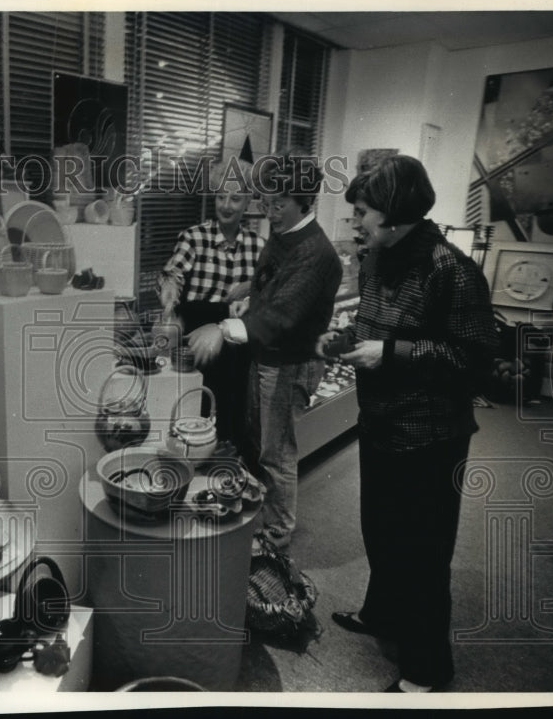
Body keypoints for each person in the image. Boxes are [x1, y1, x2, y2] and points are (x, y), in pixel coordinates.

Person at [322, 155, 498, 693]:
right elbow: (370, 319)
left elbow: (475, 359)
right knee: (381, 533)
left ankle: (427, 670)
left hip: (430, 437)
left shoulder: (451, 269)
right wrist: (345, 340)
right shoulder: (379, 257)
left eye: (362, 212)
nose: (354, 222)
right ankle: (384, 616)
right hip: (380, 424)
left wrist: (394, 354)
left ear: (395, 215)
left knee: (422, 553)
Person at [193, 152, 341, 552]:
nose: (270, 213)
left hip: (291, 362)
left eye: (279, 205)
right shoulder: (285, 231)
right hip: (269, 357)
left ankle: (278, 531)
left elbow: (283, 316)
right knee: (260, 440)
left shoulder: (316, 252)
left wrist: (222, 328)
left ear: (304, 201)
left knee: (277, 452)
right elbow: (271, 279)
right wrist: (249, 292)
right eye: (266, 203)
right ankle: (265, 515)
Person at [157, 159, 264, 448]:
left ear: (248, 202)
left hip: (236, 348)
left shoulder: (259, 246)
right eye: (220, 196)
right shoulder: (194, 237)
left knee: (229, 426)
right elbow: (173, 273)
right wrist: (169, 290)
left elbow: (266, 296)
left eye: (235, 198)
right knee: (192, 420)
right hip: (196, 343)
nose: (226, 205)